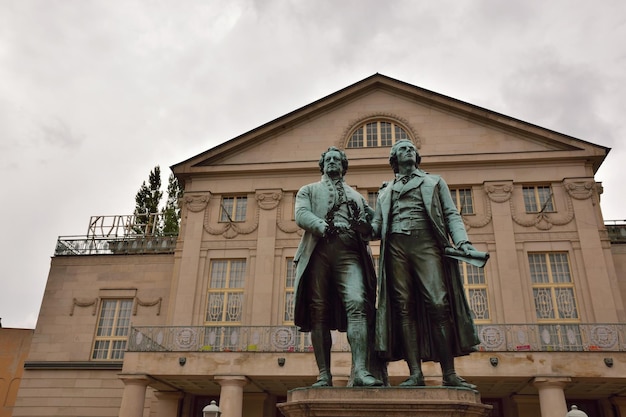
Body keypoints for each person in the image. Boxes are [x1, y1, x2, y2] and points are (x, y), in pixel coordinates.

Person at [372, 139, 482, 389]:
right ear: (394, 159)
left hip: (427, 244)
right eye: (402, 148)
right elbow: (377, 228)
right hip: (396, 248)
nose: (408, 150)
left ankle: (450, 373)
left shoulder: (435, 181)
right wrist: (359, 226)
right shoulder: (385, 190)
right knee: (403, 307)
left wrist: (462, 242)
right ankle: (415, 373)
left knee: (438, 303)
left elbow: (451, 213)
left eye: (411, 148)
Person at [293, 146, 383, 387]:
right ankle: (324, 374)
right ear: (322, 165)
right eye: (328, 159)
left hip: (349, 254)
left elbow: (376, 227)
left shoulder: (357, 197)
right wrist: (323, 226)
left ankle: (361, 371)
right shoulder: (308, 190)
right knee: (318, 311)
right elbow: (301, 214)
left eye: (337, 159)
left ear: (344, 166)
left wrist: (367, 227)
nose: (332, 162)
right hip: (319, 251)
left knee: (357, 304)